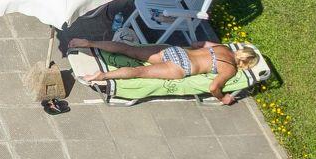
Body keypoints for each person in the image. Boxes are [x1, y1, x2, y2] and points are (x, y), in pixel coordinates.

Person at [65, 36, 259, 106]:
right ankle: (103, 75)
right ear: (245, 64)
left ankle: (89, 42)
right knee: (140, 72)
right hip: (182, 67)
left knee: (129, 49)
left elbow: (197, 43)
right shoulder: (230, 68)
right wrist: (223, 98)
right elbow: (213, 87)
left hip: (176, 51)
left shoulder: (222, 47)